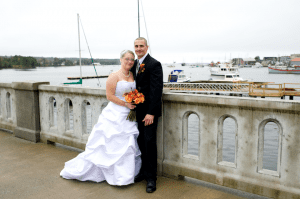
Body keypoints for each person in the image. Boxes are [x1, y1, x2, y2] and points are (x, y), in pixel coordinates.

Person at [60, 50, 141, 186]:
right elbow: (109, 96)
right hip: (115, 113)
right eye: (127, 59)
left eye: (132, 59)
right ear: (121, 60)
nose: (129, 62)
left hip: (129, 114)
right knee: (110, 144)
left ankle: (124, 175)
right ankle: (108, 173)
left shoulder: (133, 75)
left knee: (128, 144)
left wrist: (134, 101)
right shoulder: (114, 76)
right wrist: (125, 103)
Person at [130, 37, 163, 193]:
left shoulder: (154, 64)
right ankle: (143, 172)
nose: (138, 49)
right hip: (137, 112)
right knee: (140, 143)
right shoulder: (134, 64)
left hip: (149, 113)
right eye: (136, 46)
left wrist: (151, 113)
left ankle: (151, 179)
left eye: (141, 46)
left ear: (147, 47)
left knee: (149, 144)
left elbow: (156, 91)